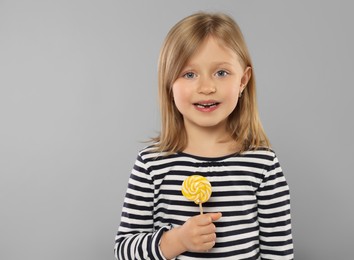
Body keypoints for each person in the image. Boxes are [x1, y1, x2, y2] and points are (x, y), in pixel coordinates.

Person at [114, 12, 293, 260]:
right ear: (169, 84)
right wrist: (176, 241)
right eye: (189, 74)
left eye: (221, 73)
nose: (206, 87)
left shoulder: (262, 164)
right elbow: (124, 250)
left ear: (243, 80)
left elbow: (279, 251)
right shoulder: (152, 164)